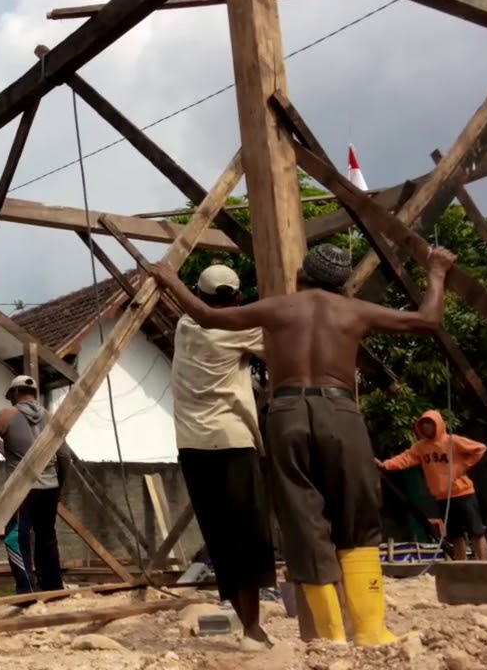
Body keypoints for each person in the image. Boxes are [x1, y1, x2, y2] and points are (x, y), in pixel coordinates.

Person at [148, 242, 457, 647]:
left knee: (302, 522)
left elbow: (206, 315)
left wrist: (169, 280)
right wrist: (436, 271)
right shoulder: (354, 310)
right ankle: (370, 631)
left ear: (299, 278)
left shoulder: (276, 309)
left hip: (287, 413)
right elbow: (429, 320)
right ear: (343, 285)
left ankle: (328, 637)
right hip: (340, 412)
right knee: (358, 519)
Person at [170, 264, 277, 651]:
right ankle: (252, 629)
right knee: (247, 535)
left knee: (219, 536)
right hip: (231, 441)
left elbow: (193, 307)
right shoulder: (239, 329)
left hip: (192, 444)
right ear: (234, 298)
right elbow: (280, 342)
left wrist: (171, 280)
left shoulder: (184, 326)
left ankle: (249, 626)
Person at [0, 375, 70, 593]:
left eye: (10, 397)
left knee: (16, 536)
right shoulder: (51, 418)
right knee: (47, 537)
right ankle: (52, 586)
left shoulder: (7, 415)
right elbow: (64, 456)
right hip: (49, 488)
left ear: (15, 393)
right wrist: (59, 486)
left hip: (21, 491)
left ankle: (26, 589)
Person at [377, 410, 487, 561]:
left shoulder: (452, 441)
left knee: (476, 531)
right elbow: (405, 458)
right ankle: (462, 566)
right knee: (455, 535)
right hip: (443, 496)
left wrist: (462, 466)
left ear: (437, 424)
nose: (426, 427)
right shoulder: (421, 447)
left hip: (463, 493)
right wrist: (385, 465)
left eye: (429, 423)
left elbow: (480, 448)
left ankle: (484, 564)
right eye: (423, 424)